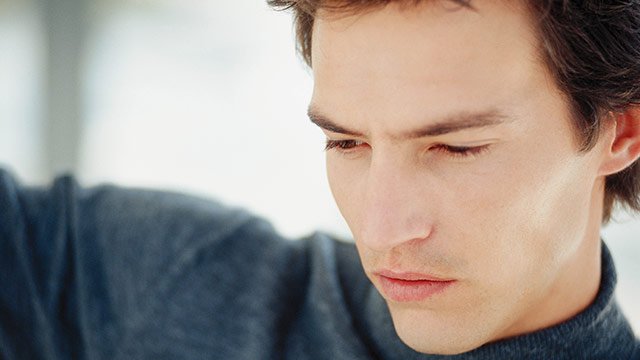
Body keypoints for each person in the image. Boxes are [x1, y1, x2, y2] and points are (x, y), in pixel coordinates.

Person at [1, 0, 639, 358]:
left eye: (455, 147)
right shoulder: (198, 290)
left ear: (620, 132)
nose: (380, 228)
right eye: (347, 142)